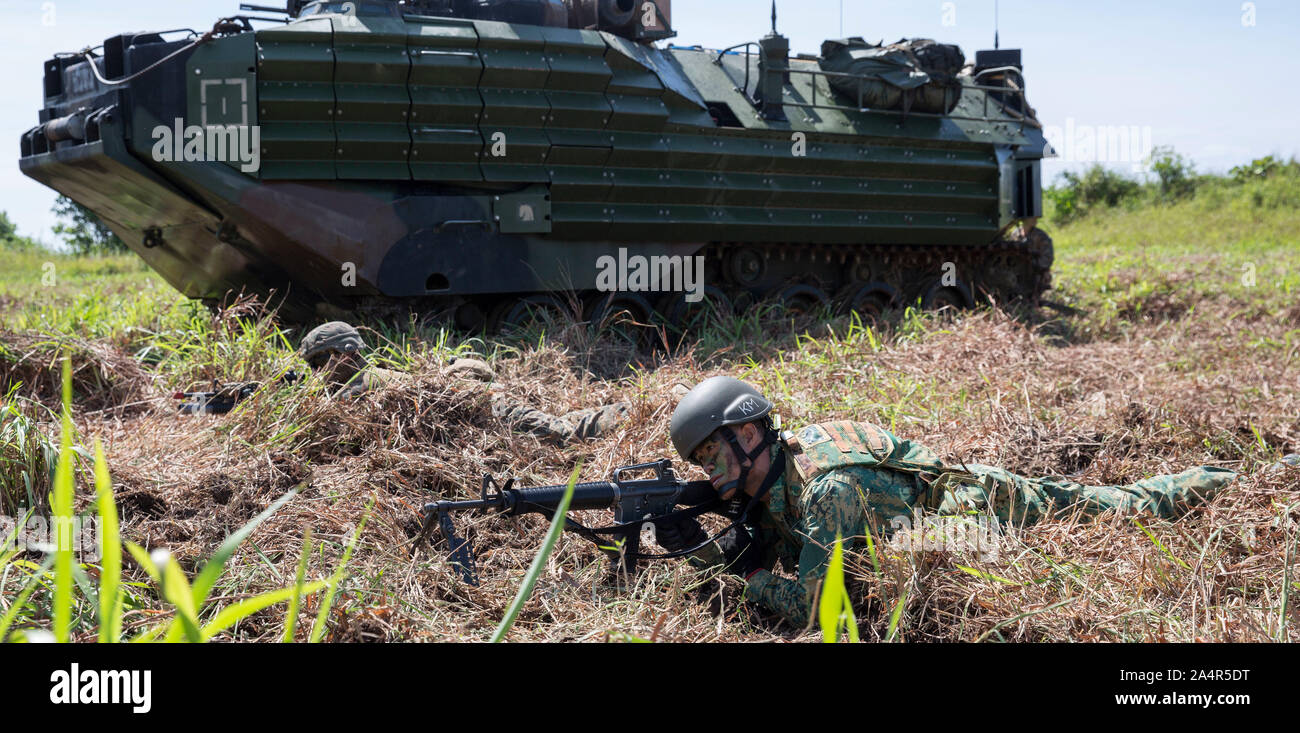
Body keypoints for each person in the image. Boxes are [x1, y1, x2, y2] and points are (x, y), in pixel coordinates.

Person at [659, 376, 1237, 627]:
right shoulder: (780, 470)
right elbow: (781, 538)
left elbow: (819, 611)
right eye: (700, 462)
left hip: (976, 503)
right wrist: (707, 551)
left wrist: (746, 572)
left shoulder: (829, 489)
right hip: (931, 516)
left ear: (751, 434)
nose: (709, 473)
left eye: (712, 454)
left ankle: (1232, 478)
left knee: (1127, 506)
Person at [298, 321, 628, 445]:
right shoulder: (360, 381)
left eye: (319, 361)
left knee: (564, 434)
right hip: (476, 409)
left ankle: (628, 411)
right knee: (556, 427)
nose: (317, 371)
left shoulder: (364, 383)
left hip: (482, 406)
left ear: (346, 352)